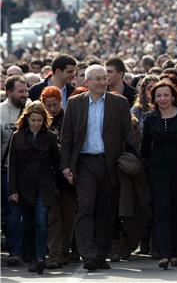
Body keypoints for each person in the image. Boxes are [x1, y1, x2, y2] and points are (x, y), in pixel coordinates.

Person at [60, 65, 140, 272]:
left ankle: (101, 254)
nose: (102, 82)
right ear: (86, 82)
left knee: (107, 210)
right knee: (86, 206)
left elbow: (128, 135)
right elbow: (66, 137)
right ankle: (88, 254)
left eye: (104, 78)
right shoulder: (74, 103)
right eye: (97, 79)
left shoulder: (119, 103)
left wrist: (142, 156)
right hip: (85, 163)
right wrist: (66, 166)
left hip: (110, 163)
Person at [141, 81, 177, 269]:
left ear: (173, 96)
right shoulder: (150, 119)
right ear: (154, 99)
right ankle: (164, 253)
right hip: (158, 172)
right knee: (162, 211)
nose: (162, 99)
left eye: (166, 95)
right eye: (158, 96)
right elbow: (145, 147)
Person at [8, 102, 60, 274]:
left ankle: (40, 257)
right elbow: (13, 166)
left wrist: (55, 185)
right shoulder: (18, 137)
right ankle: (30, 256)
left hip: (44, 187)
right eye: (33, 120)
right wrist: (13, 190)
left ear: (44, 121)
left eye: (39, 120)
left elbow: (56, 162)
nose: (36, 123)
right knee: (27, 224)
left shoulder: (50, 138)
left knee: (41, 221)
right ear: (27, 119)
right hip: (24, 187)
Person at [40, 87, 75, 269]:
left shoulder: (68, 119)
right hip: (49, 177)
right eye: (49, 105)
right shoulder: (42, 121)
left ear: (61, 103)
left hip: (67, 176)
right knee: (53, 218)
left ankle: (64, 252)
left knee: (68, 217)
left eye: (55, 104)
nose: (52, 108)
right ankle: (54, 254)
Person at [1, 75, 30, 266]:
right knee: (10, 211)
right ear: (9, 91)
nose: (24, 94)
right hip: (4, 171)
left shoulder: (32, 108)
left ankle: (21, 251)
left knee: (21, 212)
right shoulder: (1, 113)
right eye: (20, 91)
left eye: (26, 90)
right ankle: (15, 250)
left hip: (27, 172)